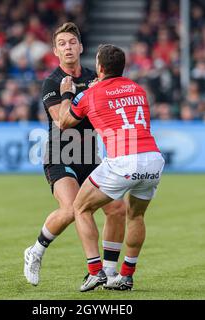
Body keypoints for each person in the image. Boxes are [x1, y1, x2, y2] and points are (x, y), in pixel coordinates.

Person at [23, 23, 126, 287]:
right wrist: (77, 93)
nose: (68, 47)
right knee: (71, 209)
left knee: (116, 208)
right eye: (62, 44)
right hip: (61, 154)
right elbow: (61, 120)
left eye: (72, 42)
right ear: (55, 51)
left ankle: (108, 271)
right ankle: (35, 251)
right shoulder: (52, 82)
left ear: (80, 47)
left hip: (91, 156)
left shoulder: (96, 76)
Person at [58, 44, 165, 292]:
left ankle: (95, 272)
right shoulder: (137, 89)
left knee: (80, 207)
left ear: (100, 67)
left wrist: (67, 94)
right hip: (152, 158)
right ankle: (125, 275)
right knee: (136, 215)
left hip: (123, 160)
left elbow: (64, 122)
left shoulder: (90, 95)